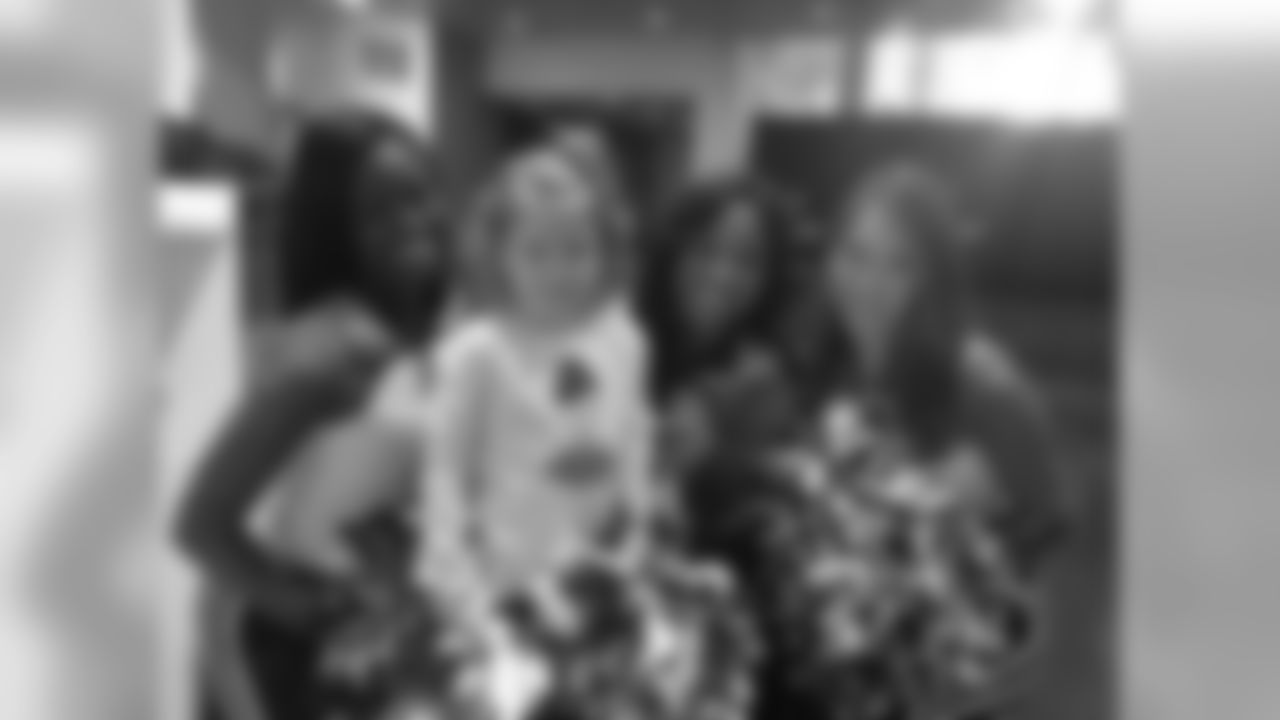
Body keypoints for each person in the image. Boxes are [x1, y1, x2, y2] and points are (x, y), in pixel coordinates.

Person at [174, 111, 454, 720]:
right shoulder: (338, 344)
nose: (412, 220)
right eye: (378, 210)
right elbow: (201, 523)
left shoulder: (412, 335)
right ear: (335, 228)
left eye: (419, 195)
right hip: (290, 671)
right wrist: (322, 616)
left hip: (373, 657)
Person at [779, 161, 1073, 719]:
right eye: (856, 254)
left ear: (935, 278)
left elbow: (1039, 555)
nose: (868, 283)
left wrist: (989, 664)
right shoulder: (834, 368)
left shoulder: (984, 387)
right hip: (849, 672)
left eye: (900, 266)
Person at [637, 177, 802, 478]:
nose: (723, 275)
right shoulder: (618, 343)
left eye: (748, 260)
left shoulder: (764, 385)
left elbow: (763, 484)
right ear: (672, 251)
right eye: (706, 248)